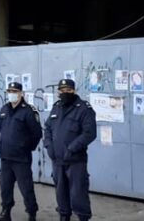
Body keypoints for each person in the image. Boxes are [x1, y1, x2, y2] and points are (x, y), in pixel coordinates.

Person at [44, 79, 97, 221]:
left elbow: (89, 133)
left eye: (68, 90)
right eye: (61, 90)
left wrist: (72, 148)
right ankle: (64, 216)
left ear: (74, 90)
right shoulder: (56, 107)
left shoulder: (84, 109)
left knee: (78, 193)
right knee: (61, 193)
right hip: (58, 160)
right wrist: (49, 146)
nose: (64, 93)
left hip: (75, 161)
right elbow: (47, 128)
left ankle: (83, 218)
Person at [0, 82, 43, 221]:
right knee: (5, 187)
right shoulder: (4, 109)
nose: (12, 94)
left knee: (26, 189)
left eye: (15, 91)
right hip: (6, 157)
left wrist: (25, 147)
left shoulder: (29, 111)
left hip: (21, 159)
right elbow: (1, 128)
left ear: (21, 93)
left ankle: (32, 213)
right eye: (9, 91)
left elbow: (37, 134)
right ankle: (5, 213)